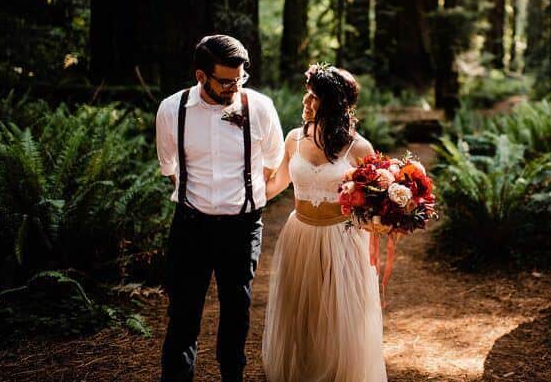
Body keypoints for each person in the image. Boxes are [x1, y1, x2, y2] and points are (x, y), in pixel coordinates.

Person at [155, 35, 284, 382]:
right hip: (190, 226)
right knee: (182, 316)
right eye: (225, 81)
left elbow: (273, 162)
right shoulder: (171, 109)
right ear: (201, 76)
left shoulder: (260, 107)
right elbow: (170, 168)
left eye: (239, 78)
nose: (234, 87)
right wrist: (199, 204)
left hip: (241, 228)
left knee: (236, 314)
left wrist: (245, 198)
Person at [261, 64, 388, 382]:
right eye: (307, 93)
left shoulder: (359, 148)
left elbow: (375, 204)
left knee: (341, 319)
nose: (305, 101)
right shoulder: (293, 140)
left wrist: (382, 219)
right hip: (300, 236)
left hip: (342, 239)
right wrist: (238, 194)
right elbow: (274, 186)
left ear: (332, 104)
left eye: (314, 96)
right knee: (301, 316)